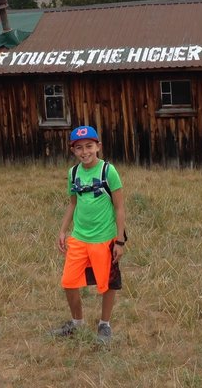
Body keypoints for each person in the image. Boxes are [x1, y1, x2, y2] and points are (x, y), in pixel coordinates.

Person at [51, 125, 127, 345]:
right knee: (68, 282)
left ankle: (104, 325)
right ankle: (77, 323)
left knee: (107, 283)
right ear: (73, 150)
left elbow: (119, 208)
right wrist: (63, 230)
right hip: (79, 238)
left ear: (98, 147)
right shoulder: (73, 173)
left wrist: (119, 241)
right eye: (79, 148)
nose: (85, 152)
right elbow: (73, 203)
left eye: (89, 146)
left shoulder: (108, 172)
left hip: (104, 239)